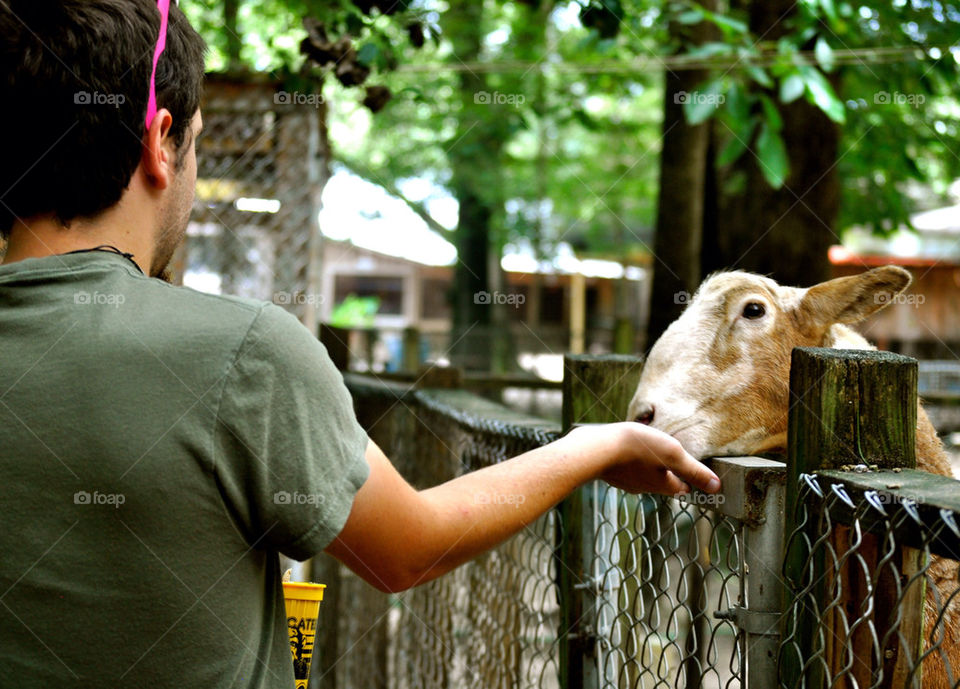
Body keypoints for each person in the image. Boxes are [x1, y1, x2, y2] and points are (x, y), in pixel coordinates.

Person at [0, 1, 721, 687]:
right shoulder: (242, 353)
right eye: (194, 140)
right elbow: (409, 547)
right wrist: (595, 444)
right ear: (159, 145)